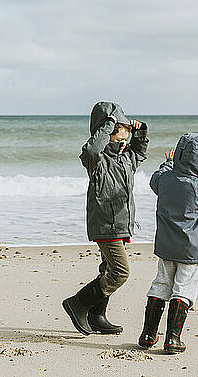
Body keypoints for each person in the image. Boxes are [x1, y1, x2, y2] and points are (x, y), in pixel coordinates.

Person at [138, 133, 198, 354]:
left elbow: (156, 176)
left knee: (161, 283)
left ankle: (148, 334)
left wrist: (169, 162)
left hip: (166, 247)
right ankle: (172, 338)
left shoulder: (165, 180)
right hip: (192, 250)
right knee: (184, 288)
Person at [62, 101, 149, 335]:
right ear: (105, 132)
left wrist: (140, 132)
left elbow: (140, 150)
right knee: (120, 272)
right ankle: (78, 302)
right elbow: (91, 149)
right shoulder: (96, 161)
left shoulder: (127, 158)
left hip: (122, 224)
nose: (123, 141)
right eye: (117, 136)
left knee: (107, 269)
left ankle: (97, 316)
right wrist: (110, 123)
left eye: (125, 137)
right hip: (104, 224)